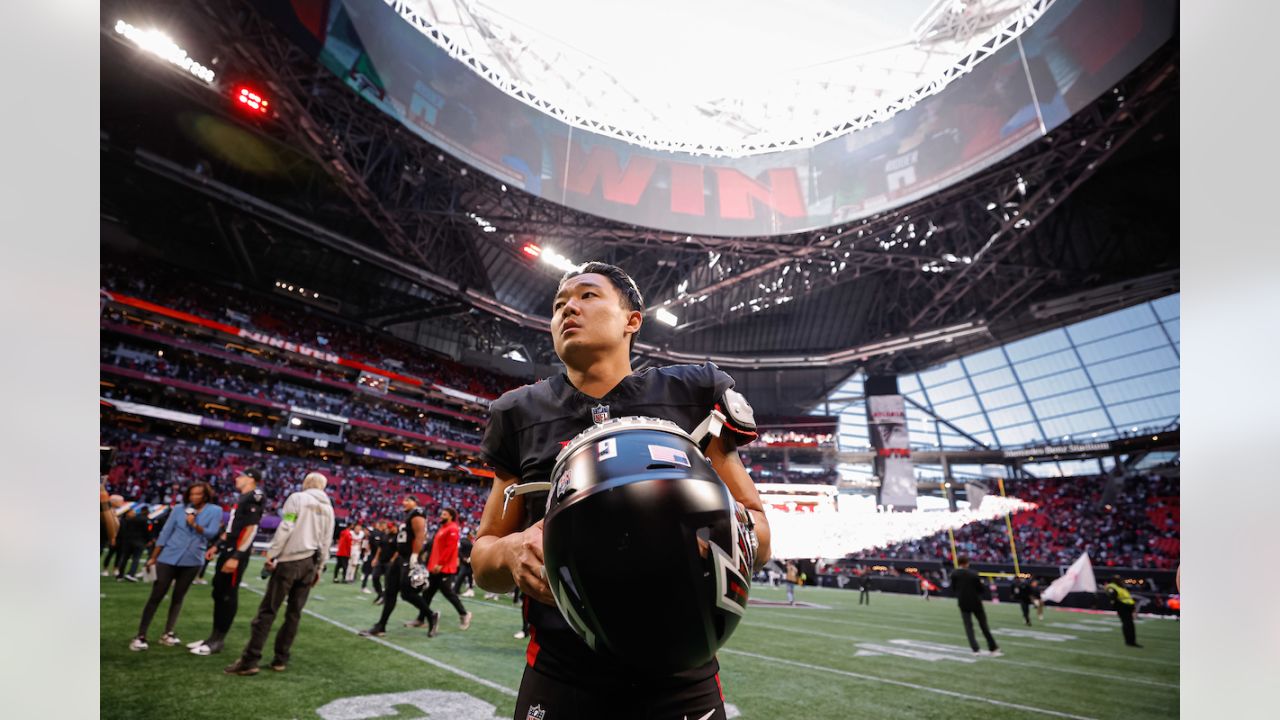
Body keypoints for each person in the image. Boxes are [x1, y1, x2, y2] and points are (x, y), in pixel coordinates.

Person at [470, 262, 772, 720]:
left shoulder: (692, 394)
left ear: (632, 320)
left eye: (588, 295)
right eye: (558, 304)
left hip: (681, 675)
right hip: (562, 675)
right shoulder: (518, 413)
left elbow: (760, 535)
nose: (568, 307)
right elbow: (482, 561)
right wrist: (512, 552)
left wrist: (718, 537)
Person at [224, 471, 335, 675]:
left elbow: (287, 526)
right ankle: (280, 659)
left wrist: (272, 553)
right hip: (310, 563)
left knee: (268, 611)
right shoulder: (328, 508)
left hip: (290, 561)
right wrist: (319, 567)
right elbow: (327, 541)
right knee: (294, 614)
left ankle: (250, 660)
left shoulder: (297, 498)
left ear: (306, 483)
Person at [130, 482, 222, 651]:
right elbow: (166, 532)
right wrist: (154, 557)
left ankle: (168, 633)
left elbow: (212, 533)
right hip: (168, 558)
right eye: (192, 494)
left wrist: (194, 524)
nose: (194, 497)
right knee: (156, 595)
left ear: (206, 495)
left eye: (199, 494)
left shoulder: (215, 510)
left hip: (193, 560)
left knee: (178, 598)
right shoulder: (179, 509)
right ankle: (140, 635)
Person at [190, 468, 266, 656]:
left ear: (251, 478)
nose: (236, 478)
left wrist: (236, 556)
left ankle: (218, 640)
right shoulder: (242, 497)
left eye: (241, 475)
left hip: (236, 553)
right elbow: (233, 528)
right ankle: (213, 637)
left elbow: (251, 529)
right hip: (228, 549)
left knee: (227, 594)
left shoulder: (254, 497)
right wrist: (217, 545)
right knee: (218, 591)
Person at [359, 495, 433, 636]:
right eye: (404, 500)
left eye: (408, 500)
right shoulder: (408, 516)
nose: (404, 502)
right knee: (390, 592)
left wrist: (414, 556)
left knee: (407, 593)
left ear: (415, 502)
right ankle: (381, 625)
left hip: (408, 558)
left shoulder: (417, 513)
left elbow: (420, 535)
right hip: (400, 558)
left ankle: (430, 615)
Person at [413, 507, 472, 636]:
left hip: (443, 567)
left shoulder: (453, 528)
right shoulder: (443, 528)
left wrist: (440, 563)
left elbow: (450, 548)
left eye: (444, 514)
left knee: (448, 592)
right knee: (427, 594)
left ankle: (464, 614)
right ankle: (421, 619)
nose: (441, 515)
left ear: (451, 516)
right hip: (435, 567)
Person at [950, 555, 1002, 656]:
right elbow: (981, 589)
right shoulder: (973, 574)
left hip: (963, 603)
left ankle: (975, 649)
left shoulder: (954, 574)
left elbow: (953, 589)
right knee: (983, 626)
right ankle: (993, 648)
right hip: (975, 602)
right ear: (967, 563)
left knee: (968, 627)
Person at [114, 504, 150, 582]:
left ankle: (120, 575)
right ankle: (131, 574)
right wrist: (148, 541)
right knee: (136, 558)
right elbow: (147, 532)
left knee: (125, 558)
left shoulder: (131, 519)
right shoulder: (146, 520)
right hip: (139, 541)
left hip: (128, 541)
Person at [1104, 575, 1142, 648]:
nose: (1120, 580)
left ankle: (1132, 641)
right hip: (1122, 607)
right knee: (1127, 624)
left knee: (1130, 624)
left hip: (1127, 606)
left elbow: (1127, 597)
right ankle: (1130, 642)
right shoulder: (1112, 586)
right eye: (1118, 579)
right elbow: (1113, 596)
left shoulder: (1121, 586)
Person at [360, 520, 384, 595]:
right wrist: (367, 552)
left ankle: (375, 587)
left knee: (375, 573)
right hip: (373, 555)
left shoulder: (382, 534)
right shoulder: (374, 533)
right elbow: (370, 544)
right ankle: (364, 587)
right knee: (368, 571)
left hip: (378, 556)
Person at [454, 529, 476, 598]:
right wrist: (463, 558)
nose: (472, 535)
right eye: (471, 534)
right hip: (465, 562)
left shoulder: (471, 541)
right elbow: (459, 551)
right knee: (461, 575)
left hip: (470, 562)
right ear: (468, 534)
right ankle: (455, 590)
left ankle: (470, 589)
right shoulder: (463, 541)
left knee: (469, 577)